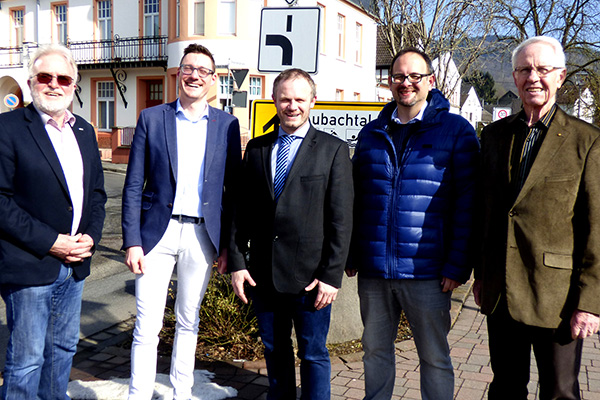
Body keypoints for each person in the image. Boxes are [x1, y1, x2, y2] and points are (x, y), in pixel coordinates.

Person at [348, 47, 480, 400]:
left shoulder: (457, 132)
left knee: (434, 358)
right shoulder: (373, 132)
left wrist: (457, 265)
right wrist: (351, 255)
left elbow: (468, 205)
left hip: (429, 273)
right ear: (390, 83)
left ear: (430, 81)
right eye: (398, 77)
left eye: (414, 76)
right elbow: (357, 198)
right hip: (375, 270)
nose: (406, 83)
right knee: (375, 353)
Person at [473, 35, 600, 400]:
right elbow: (487, 209)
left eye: (543, 69)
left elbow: (597, 227)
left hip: (557, 298)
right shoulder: (495, 135)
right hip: (502, 291)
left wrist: (590, 302)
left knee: (560, 391)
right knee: (506, 387)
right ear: (514, 77)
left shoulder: (586, 141)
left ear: (560, 76)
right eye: (525, 69)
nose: (534, 77)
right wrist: (481, 274)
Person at [121, 44, 241, 400]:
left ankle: (181, 393)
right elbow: (132, 185)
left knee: (189, 321)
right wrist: (132, 241)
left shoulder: (228, 126)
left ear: (213, 79)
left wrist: (227, 249)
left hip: (203, 236)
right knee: (147, 324)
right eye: (189, 68)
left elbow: (232, 192)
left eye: (203, 71)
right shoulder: (152, 118)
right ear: (178, 73)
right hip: (156, 235)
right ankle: (138, 394)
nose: (194, 76)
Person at [228, 68, 353, 400]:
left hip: (311, 279)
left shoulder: (333, 151)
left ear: (313, 101)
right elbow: (242, 213)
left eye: (299, 99)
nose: (292, 106)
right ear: (274, 101)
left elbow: (342, 220)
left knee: (312, 354)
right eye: (285, 99)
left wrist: (331, 276)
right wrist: (238, 264)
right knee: (274, 349)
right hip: (264, 276)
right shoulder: (256, 149)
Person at [0, 44, 106, 399]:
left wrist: (90, 236)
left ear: (74, 85)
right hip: (31, 264)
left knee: (62, 353)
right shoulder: (8, 128)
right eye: (45, 77)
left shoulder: (85, 131)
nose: (54, 85)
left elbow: (96, 195)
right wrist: (52, 241)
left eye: (63, 78)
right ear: (31, 82)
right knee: (27, 359)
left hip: (75, 265)